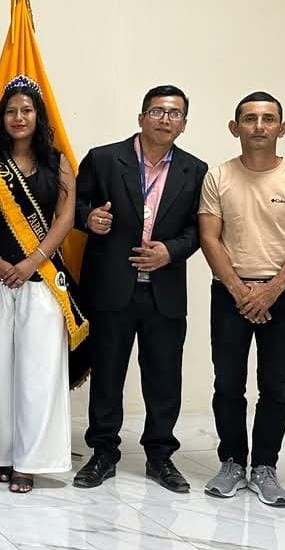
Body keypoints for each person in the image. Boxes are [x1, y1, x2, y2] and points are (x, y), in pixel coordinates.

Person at [72, 85, 207, 493]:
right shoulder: (103, 159)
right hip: (112, 286)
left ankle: (160, 456)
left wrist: (171, 251)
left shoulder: (195, 170)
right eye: (158, 111)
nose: (166, 119)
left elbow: (200, 229)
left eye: (175, 113)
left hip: (164, 290)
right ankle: (102, 453)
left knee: (164, 377)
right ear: (141, 117)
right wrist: (88, 219)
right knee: (107, 373)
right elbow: (73, 206)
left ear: (184, 124)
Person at [199, 91, 285, 508]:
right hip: (229, 294)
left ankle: (265, 466)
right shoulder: (218, 176)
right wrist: (240, 290)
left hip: (282, 295)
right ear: (234, 127)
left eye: (268, 119)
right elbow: (209, 238)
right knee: (227, 384)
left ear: (281, 128)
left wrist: (271, 291)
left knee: (274, 387)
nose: (258, 126)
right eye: (249, 118)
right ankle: (232, 462)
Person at [0, 75, 86, 494]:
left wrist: (31, 261)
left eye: (26, 110)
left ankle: (32, 460)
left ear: (38, 116)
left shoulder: (58, 163)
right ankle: (0, 454)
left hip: (41, 282)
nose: (18, 117)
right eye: (11, 111)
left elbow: (65, 218)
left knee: (39, 373)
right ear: (1, 117)